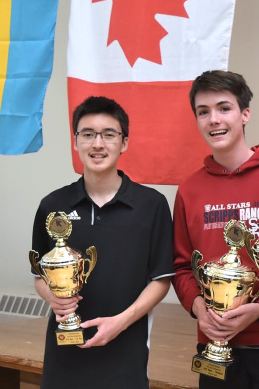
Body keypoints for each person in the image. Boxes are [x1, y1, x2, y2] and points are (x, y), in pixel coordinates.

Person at [172, 70, 259, 388]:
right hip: (213, 344)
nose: (214, 119)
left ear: (245, 114)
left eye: (224, 108)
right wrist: (199, 308)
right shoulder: (189, 190)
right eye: (203, 112)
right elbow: (181, 267)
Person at [31, 96, 174, 389]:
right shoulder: (52, 206)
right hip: (65, 350)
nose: (98, 144)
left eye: (109, 135)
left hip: (126, 348)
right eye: (88, 134)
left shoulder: (151, 205)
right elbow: (39, 276)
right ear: (76, 142)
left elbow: (161, 279)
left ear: (124, 142)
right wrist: (53, 297)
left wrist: (120, 322)